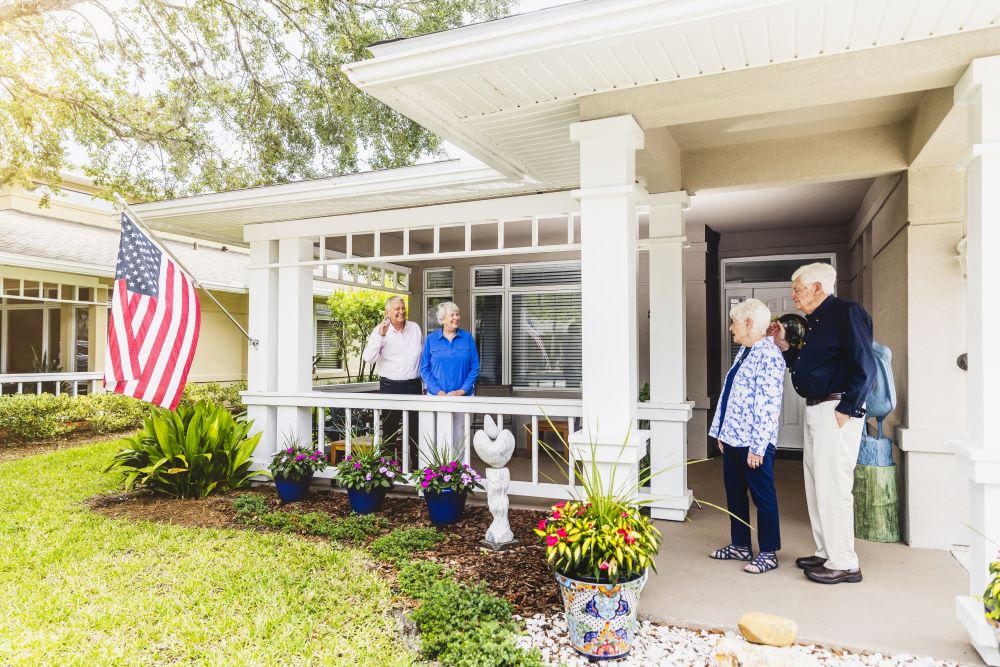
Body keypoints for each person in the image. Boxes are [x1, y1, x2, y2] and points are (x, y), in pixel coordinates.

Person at [767, 262, 876, 585]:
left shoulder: (846, 313)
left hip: (836, 409)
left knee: (834, 487)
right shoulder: (814, 322)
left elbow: (865, 366)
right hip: (816, 408)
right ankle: (826, 551)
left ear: (817, 287)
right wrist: (785, 345)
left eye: (797, 289)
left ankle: (844, 562)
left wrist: (848, 408)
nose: (793, 296)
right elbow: (806, 367)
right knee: (816, 485)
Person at [708, 298, 786, 574]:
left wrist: (758, 447)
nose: (731, 328)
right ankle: (740, 545)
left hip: (754, 443)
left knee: (762, 496)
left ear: (749, 323)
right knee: (735, 494)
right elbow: (730, 394)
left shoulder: (768, 356)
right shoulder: (746, 351)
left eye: (734, 322)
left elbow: (767, 406)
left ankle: (768, 552)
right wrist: (720, 431)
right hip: (733, 438)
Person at [362, 296, 422, 455]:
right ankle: (387, 471)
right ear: (387, 312)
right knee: (390, 432)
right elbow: (368, 358)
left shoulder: (415, 328)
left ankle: (417, 473)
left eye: (403, 308)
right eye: (397, 309)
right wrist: (380, 337)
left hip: (414, 385)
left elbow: (422, 357)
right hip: (390, 387)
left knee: (415, 432)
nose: (401, 311)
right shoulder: (379, 330)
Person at [419, 301, 480, 458]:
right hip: (437, 397)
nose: (456, 318)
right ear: (442, 319)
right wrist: (438, 391)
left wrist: (462, 390)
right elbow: (424, 369)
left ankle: (460, 473)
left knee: (461, 435)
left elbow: (475, 367)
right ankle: (440, 472)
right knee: (439, 434)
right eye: (452, 315)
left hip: (462, 397)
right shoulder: (431, 339)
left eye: (457, 314)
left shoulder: (467, 338)